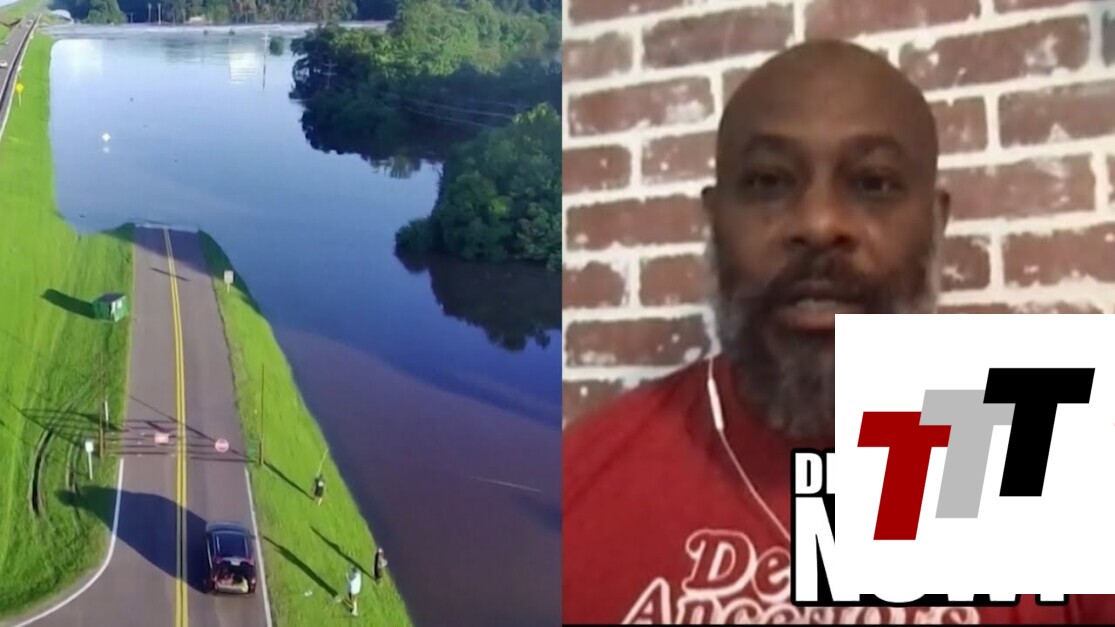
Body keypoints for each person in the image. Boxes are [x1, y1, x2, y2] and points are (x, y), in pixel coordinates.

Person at [561, 39, 1115, 625]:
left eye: (873, 183)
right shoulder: (575, 490)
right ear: (715, 221)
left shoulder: (1051, 458)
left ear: (935, 222)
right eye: (768, 181)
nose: (820, 223)